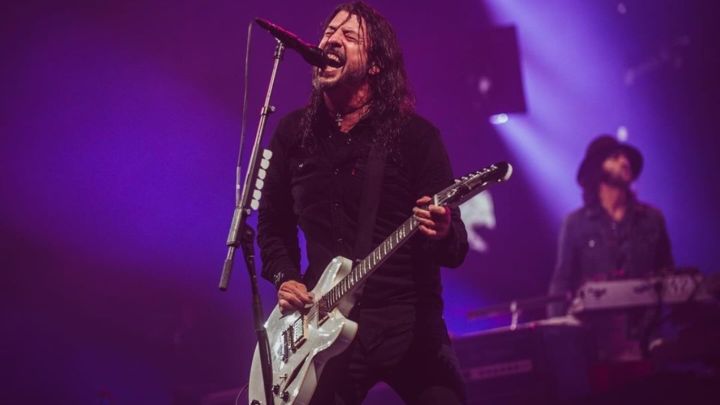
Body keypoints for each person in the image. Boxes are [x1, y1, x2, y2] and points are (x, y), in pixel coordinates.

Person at [257, 2, 469, 404]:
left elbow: (455, 248)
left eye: (349, 36)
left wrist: (441, 231)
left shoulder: (415, 137)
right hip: (323, 326)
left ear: (375, 65)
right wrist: (285, 277)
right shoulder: (293, 135)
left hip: (408, 325)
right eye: (328, 33)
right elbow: (272, 225)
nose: (331, 40)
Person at [548, 135, 674, 364]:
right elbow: (562, 280)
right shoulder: (575, 224)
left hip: (648, 338)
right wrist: (557, 335)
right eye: (615, 157)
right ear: (598, 169)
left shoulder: (652, 219)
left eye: (626, 157)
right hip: (596, 343)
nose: (624, 162)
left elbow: (669, 276)